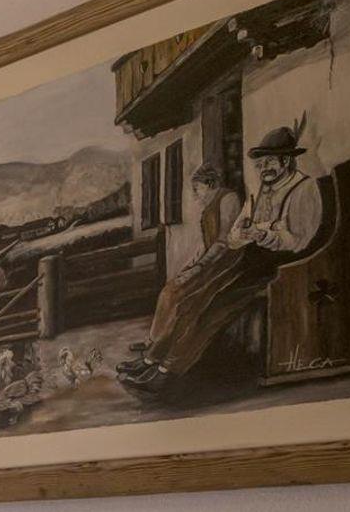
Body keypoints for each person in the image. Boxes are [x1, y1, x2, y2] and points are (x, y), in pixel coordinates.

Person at [119, 124, 325, 395]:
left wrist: (262, 233)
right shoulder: (261, 191)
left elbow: (299, 241)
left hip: (279, 268)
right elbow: (235, 235)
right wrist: (248, 233)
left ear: (286, 161)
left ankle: (167, 373)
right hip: (247, 261)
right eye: (260, 164)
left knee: (212, 308)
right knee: (190, 301)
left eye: (269, 162)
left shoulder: (304, 189)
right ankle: (151, 362)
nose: (263, 169)